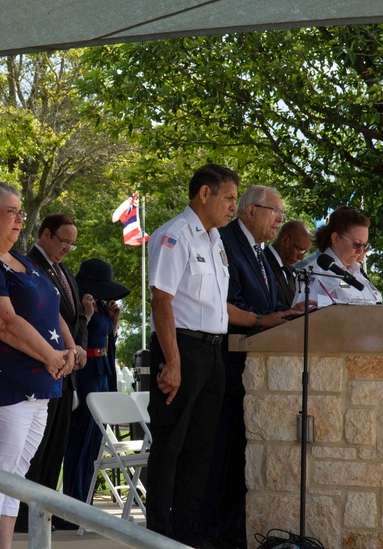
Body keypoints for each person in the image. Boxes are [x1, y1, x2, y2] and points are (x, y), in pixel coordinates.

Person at [0, 183, 72, 549]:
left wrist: (68, 348)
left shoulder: (24, 259)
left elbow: (51, 309)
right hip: (5, 388)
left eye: (22, 212)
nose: (20, 219)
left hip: (41, 386)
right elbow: (1, 319)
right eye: (12, 211)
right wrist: (51, 356)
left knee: (14, 481)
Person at [144, 163, 239, 546]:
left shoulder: (216, 240)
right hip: (181, 347)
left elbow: (216, 303)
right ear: (205, 193)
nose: (233, 206)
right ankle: (159, 535)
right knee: (171, 444)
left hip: (213, 351)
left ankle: (188, 532)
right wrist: (173, 361)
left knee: (201, 446)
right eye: (229, 198)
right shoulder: (175, 235)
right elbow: (161, 299)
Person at [210, 186, 302, 549]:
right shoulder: (225, 242)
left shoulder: (261, 252)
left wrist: (288, 315)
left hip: (256, 366)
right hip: (228, 361)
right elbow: (225, 302)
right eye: (274, 210)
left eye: (281, 212)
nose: (280, 218)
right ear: (249, 211)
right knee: (223, 453)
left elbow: (269, 303)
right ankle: (215, 532)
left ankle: (234, 531)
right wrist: (263, 320)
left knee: (240, 457)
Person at [18, 213, 89, 531]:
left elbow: (73, 320)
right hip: (42, 366)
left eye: (72, 245)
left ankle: (43, 508)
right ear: (45, 234)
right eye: (64, 241)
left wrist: (79, 347)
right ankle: (22, 513)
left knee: (55, 446)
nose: (67, 249)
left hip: (66, 372)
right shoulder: (29, 265)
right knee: (37, 446)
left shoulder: (65, 272)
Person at [61, 258, 130, 502]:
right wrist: (86, 317)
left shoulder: (100, 303)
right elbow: (72, 336)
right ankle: (74, 498)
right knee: (81, 436)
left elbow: (107, 342)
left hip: (102, 371)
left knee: (95, 439)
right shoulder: (79, 303)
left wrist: (114, 322)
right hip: (86, 373)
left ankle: (86, 498)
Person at [295, 206, 382, 307]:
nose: (360, 251)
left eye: (364, 245)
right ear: (335, 239)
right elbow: (300, 314)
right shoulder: (315, 273)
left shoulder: (359, 274)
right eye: (356, 244)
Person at [263, 220, 312, 308]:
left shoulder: (289, 270)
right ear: (285, 240)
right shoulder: (262, 262)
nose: (301, 258)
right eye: (300, 250)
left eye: (305, 253)